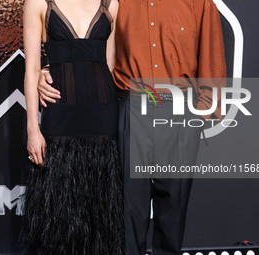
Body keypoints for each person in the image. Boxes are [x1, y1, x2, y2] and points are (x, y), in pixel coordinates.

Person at [37, 0, 227, 254]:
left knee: (173, 211)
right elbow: (88, 43)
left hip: (180, 111)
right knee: (128, 212)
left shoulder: (199, 3)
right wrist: (51, 69)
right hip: (131, 106)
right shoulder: (116, 2)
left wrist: (199, 119)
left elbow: (212, 59)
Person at [20, 0, 125, 254]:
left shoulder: (111, 4)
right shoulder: (37, 3)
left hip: (102, 118)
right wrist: (33, 129)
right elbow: (32, 69)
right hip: (60, 116)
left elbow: (109, 63)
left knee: (100, 216)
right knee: (57, 217)